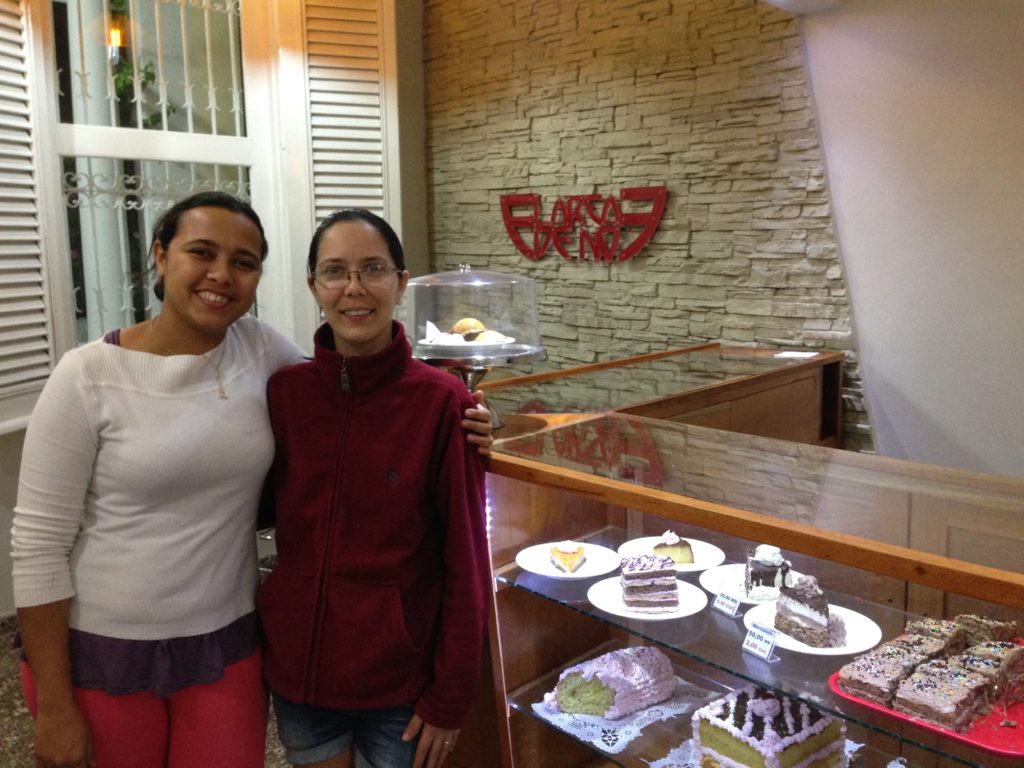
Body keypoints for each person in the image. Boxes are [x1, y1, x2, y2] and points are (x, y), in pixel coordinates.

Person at [10, 192, 493, 768]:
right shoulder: (87, 374)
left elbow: (356, 384)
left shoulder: (259, 350)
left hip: (230, 644)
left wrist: (474, 416)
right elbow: (37, 547)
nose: (221, 275)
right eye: (201, 252)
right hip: (107, 650)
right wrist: (56, 705)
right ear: (161, 257)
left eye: (243, 261)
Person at [256, 208, 491, 768]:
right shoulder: (284, 395)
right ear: (314, 286)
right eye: (334, 272)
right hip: (302, 677)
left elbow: (467, 562)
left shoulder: (444, 404)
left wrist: (451, 697)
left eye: (373, 269)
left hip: (400, 689)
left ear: (401, 283)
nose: (353, 288)